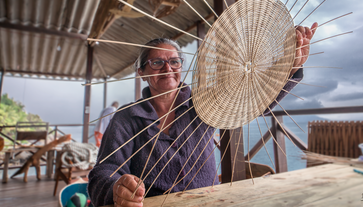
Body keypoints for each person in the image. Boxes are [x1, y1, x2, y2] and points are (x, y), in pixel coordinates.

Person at [88, 23, 317, 207]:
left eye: (174, 61)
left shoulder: (202, 104)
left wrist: (289, 67)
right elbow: (103, 171)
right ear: (142, 73)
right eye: (157, 62)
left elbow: (252, 101)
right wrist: (116, 187)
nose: (167, 69)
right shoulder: (126, 118)